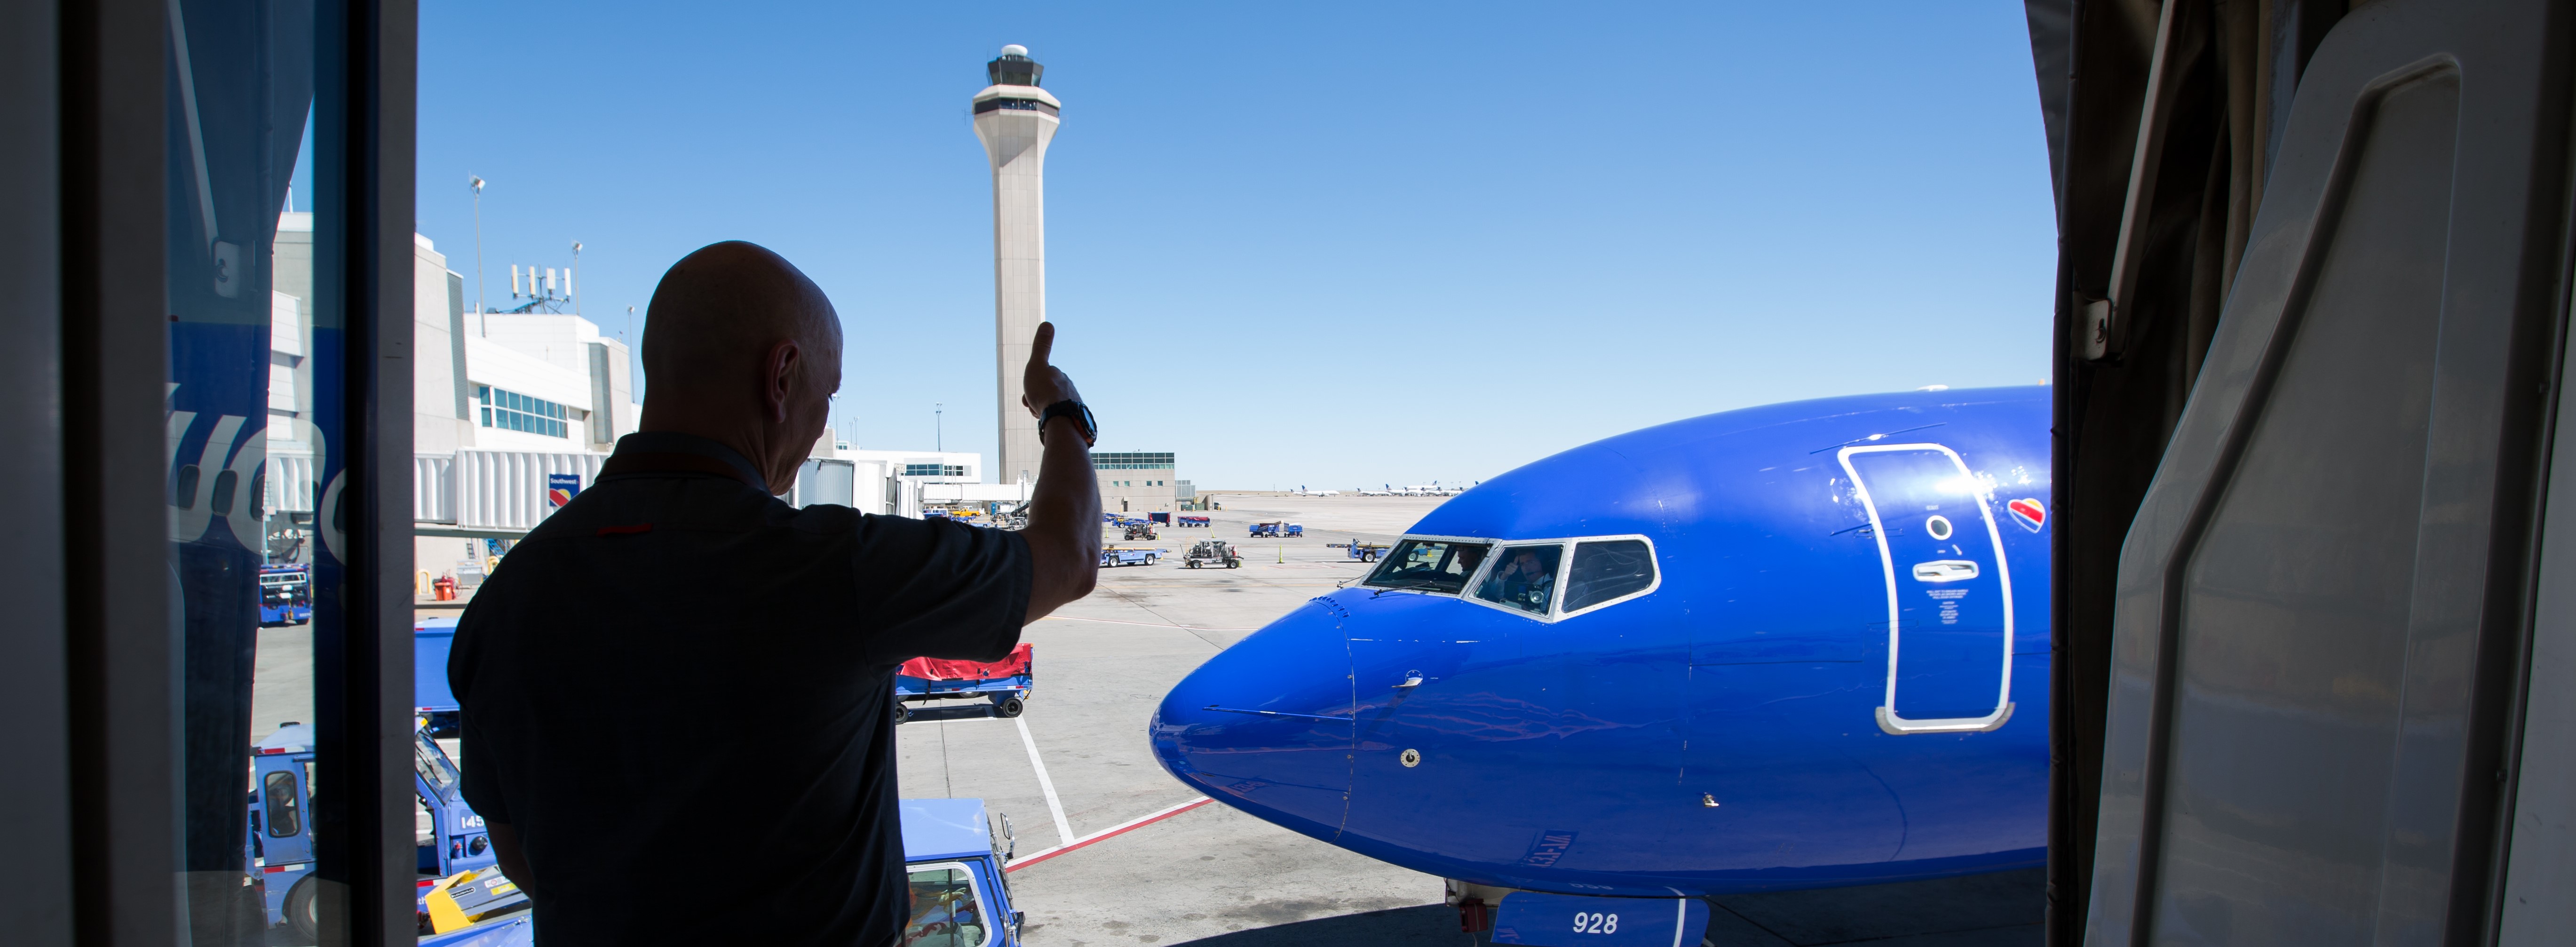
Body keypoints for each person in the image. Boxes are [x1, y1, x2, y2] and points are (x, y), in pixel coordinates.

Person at [448, 241, 1102, 946]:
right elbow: (1069, 555)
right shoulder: (834, 566)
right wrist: (1060, 411)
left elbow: (517, 853)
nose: (822, 423)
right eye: (828, 394)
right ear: (781, 376)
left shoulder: (507, 596)